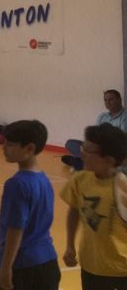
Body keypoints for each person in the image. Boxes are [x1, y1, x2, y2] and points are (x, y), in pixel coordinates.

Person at [60, 123, 127, 288]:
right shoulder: (80, 180)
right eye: (83, 147)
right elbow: (74, 209)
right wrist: (70, 245)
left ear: (109, 160)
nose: (82, 154)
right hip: (90, 266)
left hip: (120, 270)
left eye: (89, 151)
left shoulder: (122, 187)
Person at [0, 120, 59, 290]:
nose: (3, 147)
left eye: (10, 144)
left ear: (29, 148)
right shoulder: (44, 180)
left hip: (22, 266)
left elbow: (16, 229)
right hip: (48, 262)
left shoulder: (16, 184)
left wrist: (6, 267)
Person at [62, 90, 127, 170]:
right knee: (70, 144)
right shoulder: (102, 116)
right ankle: (88, 163)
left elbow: (122, 141)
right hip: (98, 148)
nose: (107, 103)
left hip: (112, 151)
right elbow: (94, 136)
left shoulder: (125, 116)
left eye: (111, 100)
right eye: (105, 100)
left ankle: (81, 163)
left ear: (119, 100)